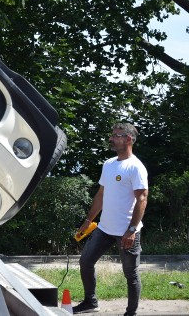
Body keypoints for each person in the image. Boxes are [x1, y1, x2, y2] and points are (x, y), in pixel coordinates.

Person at [73, 123, 148, 316]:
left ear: (129, 139)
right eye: (112, 134)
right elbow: (101, 194)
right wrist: (89, 220)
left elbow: (142, 198)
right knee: (86, 262)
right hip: (105, 229)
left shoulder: (136, 167)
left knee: (130, 274)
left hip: (126, 231)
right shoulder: (109, 164)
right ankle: (91, 302)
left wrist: (131, 230)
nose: (112, 138)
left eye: (117, 135)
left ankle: (131, 313)